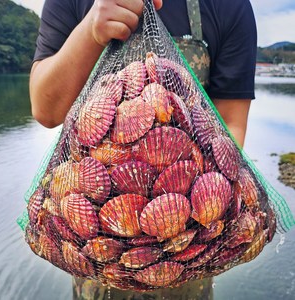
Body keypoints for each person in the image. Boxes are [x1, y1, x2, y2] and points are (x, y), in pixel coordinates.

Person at [29, 0, 257, 298]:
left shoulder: (228, 6)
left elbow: (230, 127)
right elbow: (45, 110)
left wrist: (195, 202)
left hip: (187, 251)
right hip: (96, 256)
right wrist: (90, 32)